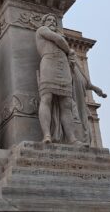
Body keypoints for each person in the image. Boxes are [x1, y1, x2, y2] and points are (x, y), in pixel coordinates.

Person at [36, 13, 82, 145]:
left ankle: (72, 138)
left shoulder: (58, 35)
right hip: (49, 63)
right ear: (44, 22)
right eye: (48, 20)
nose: (52, 22)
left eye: (54, 21)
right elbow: (59, 40)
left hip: (63, 68)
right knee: (46, 98)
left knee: (66, 103)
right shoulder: (42, 30)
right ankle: (46, 135)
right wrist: (69, 51)